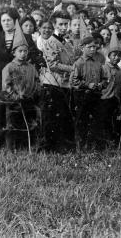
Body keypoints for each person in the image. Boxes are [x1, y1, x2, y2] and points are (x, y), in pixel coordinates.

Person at [0, 8, 40, 148]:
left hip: (19, 76)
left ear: (15, 21)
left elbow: (35, 56)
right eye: (3, 20)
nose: (6, 23)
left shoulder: (25, 37)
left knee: (17, 108)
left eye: (9, 20)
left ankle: (17, 143)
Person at [38, 11, 76, 152]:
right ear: (54, 24)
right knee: (50, 119)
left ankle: (60, 148)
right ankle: (46, 149)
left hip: (64, 84)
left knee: (63, 118)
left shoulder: (67, 42)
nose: (64, 27)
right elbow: (53, 64)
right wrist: (73, 69)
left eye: (66, 24)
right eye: (60, 24)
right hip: (51, 84)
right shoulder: (50, 42)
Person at [0, 21, 41, 151]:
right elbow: (6, 85)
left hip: (28, 99)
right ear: (14, 52)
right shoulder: (9, 67)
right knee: (12, 124)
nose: (23, 53)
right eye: (20, 51)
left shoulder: (31, 67)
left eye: (25, 51)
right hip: (13, 101)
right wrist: (16, 95)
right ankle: (11, 148)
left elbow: (37, 81)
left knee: (31, 123)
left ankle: (30, 147)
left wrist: (32, 93)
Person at [70, 36, 107, 150]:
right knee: (82, 120)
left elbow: (105, 78)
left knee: (97, 120)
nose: (92, 50)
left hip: (96, 95)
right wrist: (87, 84)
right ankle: (81, 146)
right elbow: (74, 81)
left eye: (94, 47)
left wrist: (101, 84)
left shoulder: (98, 63)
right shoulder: (79, 63)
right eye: (89, 47)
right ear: (82, 48)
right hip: (82, 95)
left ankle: (94, 145)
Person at [95, 32, 121, 149]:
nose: (116, 58)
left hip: (115, 100)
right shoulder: (103, 68)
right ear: (109, 55)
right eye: (114, 55)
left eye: (119, 56)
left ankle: (110, 142)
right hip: (103, 100)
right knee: (102, 121)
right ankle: (100, 143)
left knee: (112, 122)